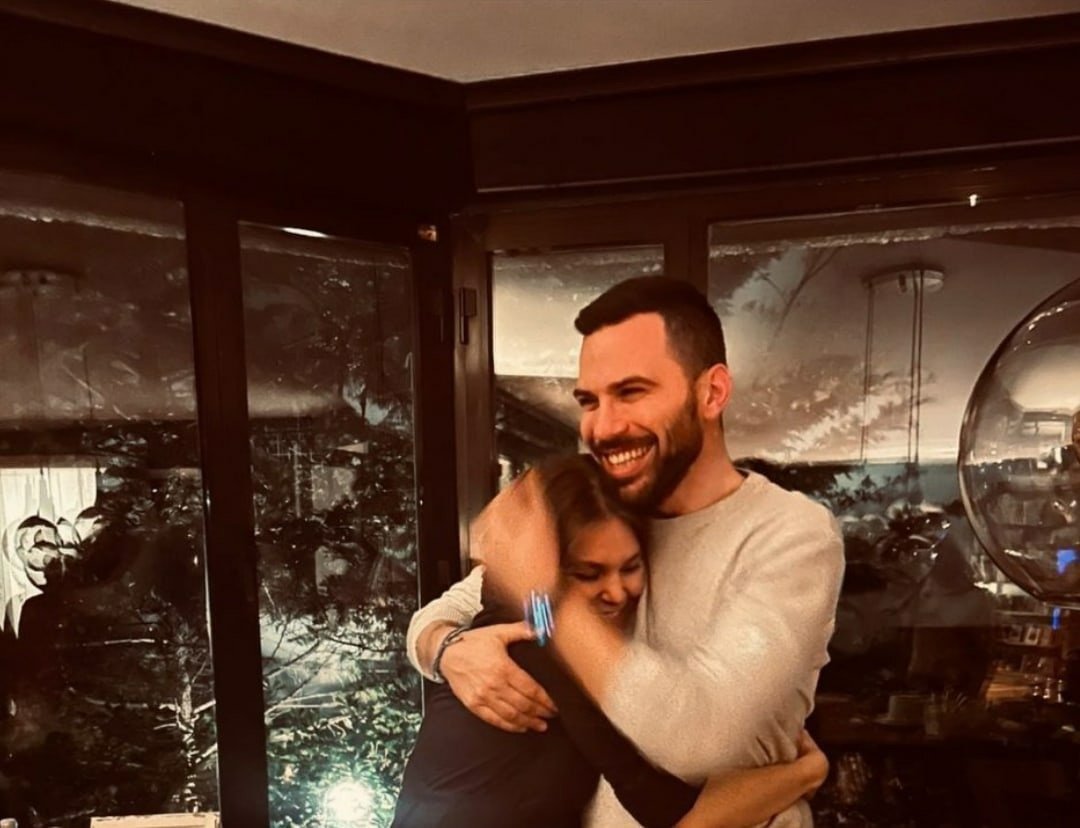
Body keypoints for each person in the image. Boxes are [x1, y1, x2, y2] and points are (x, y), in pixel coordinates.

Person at [408, 277, 845, 827]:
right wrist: (449, 650)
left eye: (632, 392)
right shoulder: (608, 515)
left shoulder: (790, 533)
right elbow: (450, 611)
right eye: (590, 401)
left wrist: (548, 596)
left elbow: (700, 744)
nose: (603, 426)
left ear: (712, 393)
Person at [394, 454, 828, 828]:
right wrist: (806, 772)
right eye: (588, 574)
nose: (616, 592)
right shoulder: (539, 642)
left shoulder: (540, 619)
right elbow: (668, 810)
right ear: (544, 565)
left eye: (630, 566)